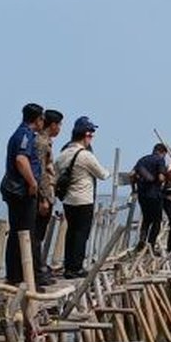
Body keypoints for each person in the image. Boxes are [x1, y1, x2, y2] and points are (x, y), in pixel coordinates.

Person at [54, 117, 110, 278]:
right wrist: (110, 171)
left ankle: (69, 266)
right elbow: (102, 174)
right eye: (91, 135)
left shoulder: (63, 154)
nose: (91, 138)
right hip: (84, 199)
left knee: (71, 232)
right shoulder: (85, 155)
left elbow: (56, 174)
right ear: (85, 135)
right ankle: (76, 267)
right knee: (81, 234)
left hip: (68, 200)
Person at [0, 102, 45, 286]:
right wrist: (32, 182)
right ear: (38, 119)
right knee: (26, 232)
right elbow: (21, 159)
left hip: (17, 190)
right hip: (21, 191)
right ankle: (25, 276)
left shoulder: (22, 133)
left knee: (18, 231)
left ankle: (16, 274)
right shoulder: (25, 135)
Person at [35, 108, 63, 280]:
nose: (60, 129)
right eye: (59, 125)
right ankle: (37, 270)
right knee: (37, 234)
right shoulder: (42, 143)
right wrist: (44, 198)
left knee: (40, 234)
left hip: (48, 192)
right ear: (52, 125)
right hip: (44, 193)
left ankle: (39, 267)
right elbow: (40, 172)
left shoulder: (46, 143)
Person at [132, 143, 169, 254]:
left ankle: (142, 240)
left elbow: (131, 175)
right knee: (157, 221)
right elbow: (161, 178)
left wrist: (134, 189)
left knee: (146, 219)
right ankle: (150, 246)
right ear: (162, 152)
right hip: (155, 195)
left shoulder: (142, 160)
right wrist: (162, 182)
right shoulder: (160, 160)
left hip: (142, 195)